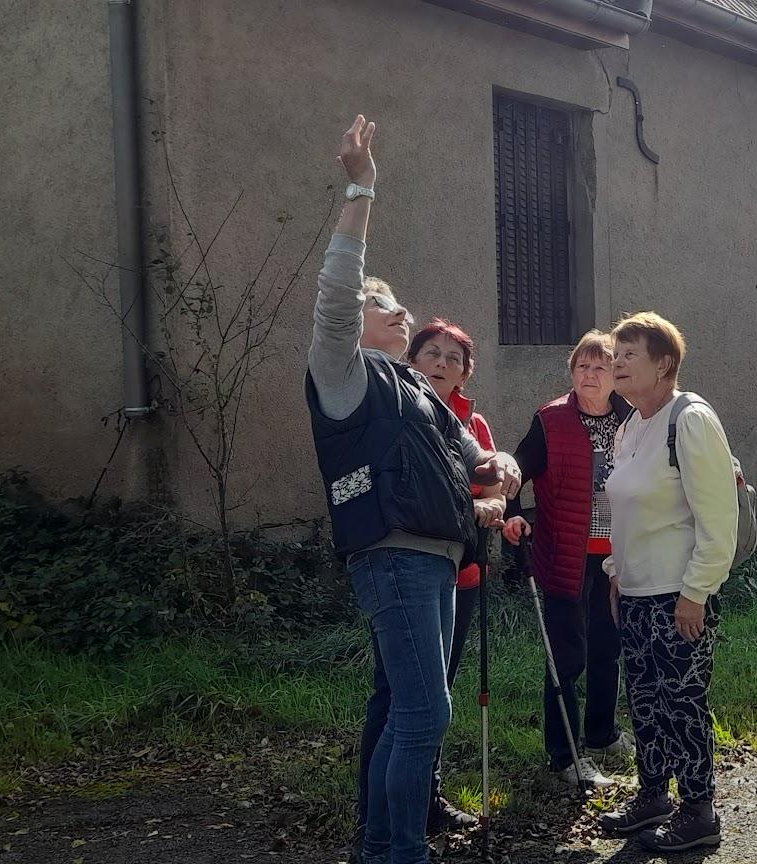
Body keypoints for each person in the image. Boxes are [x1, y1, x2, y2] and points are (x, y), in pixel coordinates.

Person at [308, 115, 521, 864]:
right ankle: (396, 851)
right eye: (382, 304)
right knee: (425, 709)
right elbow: (337, 290)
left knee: (416, 711)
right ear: (352, 326)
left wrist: (505, 478)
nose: (398, 311)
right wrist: (361, 187)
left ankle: (385, 846)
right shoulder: (345, 375)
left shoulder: (416, 390)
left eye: (399, 302)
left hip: (436, 556)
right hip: (392, 555)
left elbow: (481, 460)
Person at [351, 318, 505, 841]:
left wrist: (495, 496)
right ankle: (383, 827)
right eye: (431, 353)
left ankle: (418, 804)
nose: (441, 364)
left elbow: (491, 479)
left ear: (463, 374)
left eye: (452, 359)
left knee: (429, 701)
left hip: (456, 568)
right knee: (403, 700)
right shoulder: (393, 408)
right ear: (413, 361)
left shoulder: (469, 423)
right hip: (406, 563)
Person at [593, 312, 738, 852]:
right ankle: (653, 795)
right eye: (615, 354)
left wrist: (696, 591)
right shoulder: (631, 424)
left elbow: (717, 519)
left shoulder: (690, 419)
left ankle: (699, 811)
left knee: (683, 703)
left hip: (679, 597)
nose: (617, 363)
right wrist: (613, 572)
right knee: (646, 700)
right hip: (633, 593)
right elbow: (618, 509)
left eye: (629, 354)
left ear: (665, 364)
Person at [500, 330, 635, 787]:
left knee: (608, 647)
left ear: (617, 375)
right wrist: (512, 516)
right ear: (571, 373)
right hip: (564, 556)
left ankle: (602, 732)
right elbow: (516, 469)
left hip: (618, 557)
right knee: (567, 656)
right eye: (582, 366)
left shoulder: (633, 418)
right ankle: (565, 756)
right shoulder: (551, 420)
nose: (590, 375)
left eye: (601, 367)